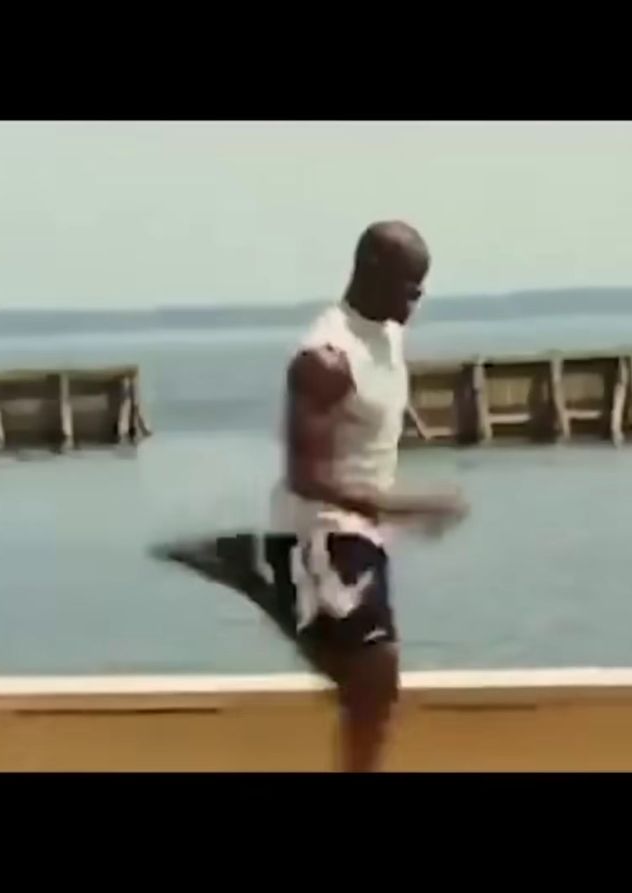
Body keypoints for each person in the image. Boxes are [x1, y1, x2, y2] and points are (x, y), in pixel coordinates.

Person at [159, 221, 466, 772]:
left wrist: (402, 429)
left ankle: (259, 574)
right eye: (408, 285)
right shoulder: (324, 359)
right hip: (320, 526)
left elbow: (378, 398)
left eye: (421, 286)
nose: (417, 298)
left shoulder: (389, 333)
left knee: (359, 674)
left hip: (364, 529)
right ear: (369, 272)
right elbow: (306, 476)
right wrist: (407, 506)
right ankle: (266, 574)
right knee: (376, 672)